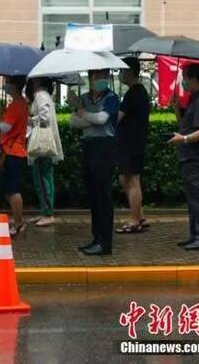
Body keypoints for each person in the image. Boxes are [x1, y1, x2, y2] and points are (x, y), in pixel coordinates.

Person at [70, 69, 120, 256]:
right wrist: (89, 118)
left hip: (105, 148)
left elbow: (102, 119)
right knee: (93, 195)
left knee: (103, 195)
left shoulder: (111, 98)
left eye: (105, 76)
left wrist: (83, 113)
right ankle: (96, 238)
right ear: (90, 78)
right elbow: (73, 123)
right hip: (89, 146)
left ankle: (105, 242)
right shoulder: (85, 98)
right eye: (98, 76)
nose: (102, 79)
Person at [168, 64, 199, 250]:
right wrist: (177, 108)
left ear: (194, 79)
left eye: (185, 78)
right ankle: (195, 234)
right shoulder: (195, 99)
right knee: (193, 198)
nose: (183, 82)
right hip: (189, 156)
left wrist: (185, 139)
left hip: (195, 156)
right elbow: (184, 124)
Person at [115, 57, 151, 234]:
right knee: (127, 179)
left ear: (129, 72)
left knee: (131, 180)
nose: (120, 75)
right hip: (133, 143)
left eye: (122, 71)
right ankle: (140, 216)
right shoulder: (139, 91)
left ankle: (134, 220)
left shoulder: (133, 93)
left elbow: (117, 118)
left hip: (130, 144)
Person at [26, 77, 63, 227]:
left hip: (42, 145)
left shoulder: (41, 95)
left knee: (42, 179)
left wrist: (31, 119)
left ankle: (48, 213)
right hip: (45, 145)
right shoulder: (44, 95)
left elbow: (44, 117)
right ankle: (46, 211)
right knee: (45, 177)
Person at [0, 76, 29, 237]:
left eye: (8, 82)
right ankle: (18, 221)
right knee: (9, 189)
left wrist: (2, 116)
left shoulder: (17, 104)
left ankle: (18, 223)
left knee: (12, 189)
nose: (6, 85)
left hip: (13, 151)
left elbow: (5, 127)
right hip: (14, 151)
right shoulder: (20, 103)